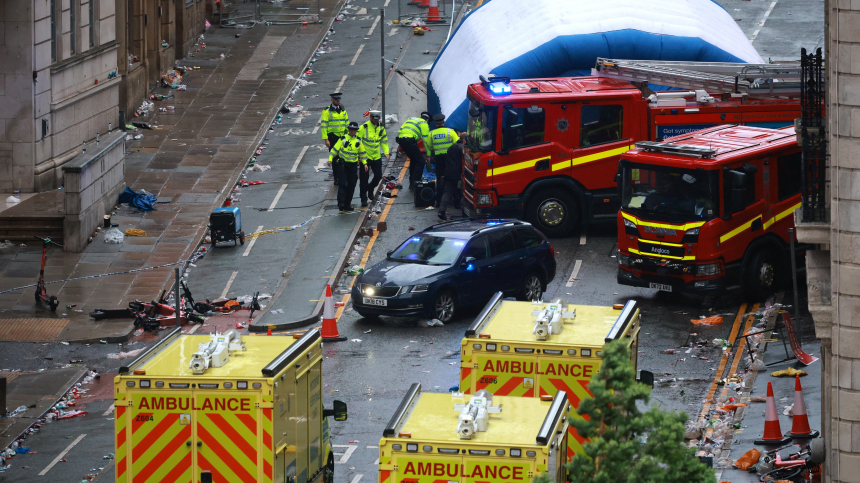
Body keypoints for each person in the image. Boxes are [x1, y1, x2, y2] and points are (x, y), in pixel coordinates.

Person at [330, 122, 368, 211]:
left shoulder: (358, 140)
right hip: (343, 165)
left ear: (356, 131)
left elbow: (362, 153)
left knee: (352, 185)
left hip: (353, 166)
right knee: (342, 184)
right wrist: (330, 159)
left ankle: (347, 204)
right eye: (351, 130)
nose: (352, 132)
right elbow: (335, 149)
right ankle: (341, 204)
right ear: (348, 130)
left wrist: (365, 163)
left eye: (354, 130)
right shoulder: (343, 139)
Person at [427, 113, 460, 208]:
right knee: (454, 179)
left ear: (436, 124)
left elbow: (429, 147)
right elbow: (457, 144)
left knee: (441, 180)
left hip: (439, 160)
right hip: (451, 160)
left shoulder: (431, 133)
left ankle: (439, 201)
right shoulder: (450, 132)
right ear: (443, 122)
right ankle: (457, 202)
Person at [357, 110, 388, 207]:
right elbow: (357, 142)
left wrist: (386, 152)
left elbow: (384, 140)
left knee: (378, 176)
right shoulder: (363, 128)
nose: (376, 121)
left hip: (376, 156)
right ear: (370, 118)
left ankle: (370, 188)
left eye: (378, 119)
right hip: (365, 157)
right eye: (375, 119)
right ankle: (363, 199)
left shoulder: (381, 128)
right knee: (364, 179)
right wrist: (358, 156)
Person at [396, 111, 432, 188]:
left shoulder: (411, 119)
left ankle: (412, 183)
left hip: (402, 140)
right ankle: (415, 183)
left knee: (414, 160)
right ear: (428, 120)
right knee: (420, 162)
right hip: (409, 141)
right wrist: (429, 154)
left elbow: (401, 130)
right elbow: (425, 140)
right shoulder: (424, 123)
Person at [321, 93, 349, 185]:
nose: (338, 102)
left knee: (344, 157)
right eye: (336, 100)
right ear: (332, 100)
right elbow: (324, 125)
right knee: (335, 158)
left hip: (343, 137)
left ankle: (343, 176)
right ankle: (336, 178)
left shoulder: (342, 109)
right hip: (333, 137)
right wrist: (326, 139)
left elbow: (346, 122)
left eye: (339, 100)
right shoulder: (327, 111)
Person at [438, 138, 465, 220]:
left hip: (448, 172)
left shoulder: (451, 147)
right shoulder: (462, 148)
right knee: (463, 192)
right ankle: (464, 211)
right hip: (458, 173)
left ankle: (441, 211)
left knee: (447, 193)